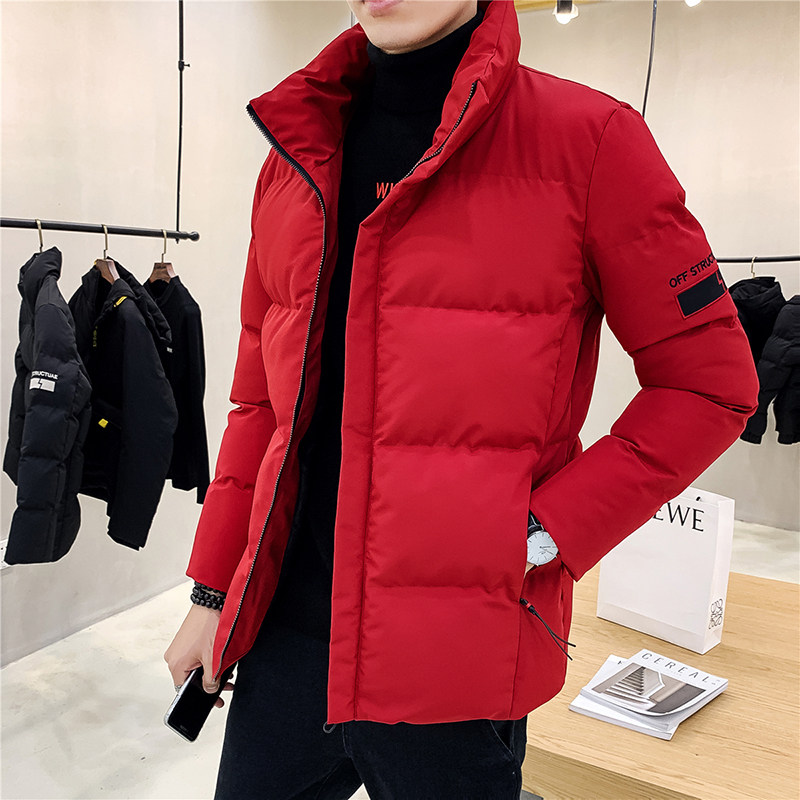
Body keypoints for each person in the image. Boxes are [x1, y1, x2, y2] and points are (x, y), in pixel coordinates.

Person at [165, 1, 759, 797]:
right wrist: (213, 592)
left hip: (459, 658)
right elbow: (261, 409)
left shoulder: (589, 141)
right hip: (287, 642)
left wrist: (545, 532)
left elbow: (710, 382)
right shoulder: (294, 156)